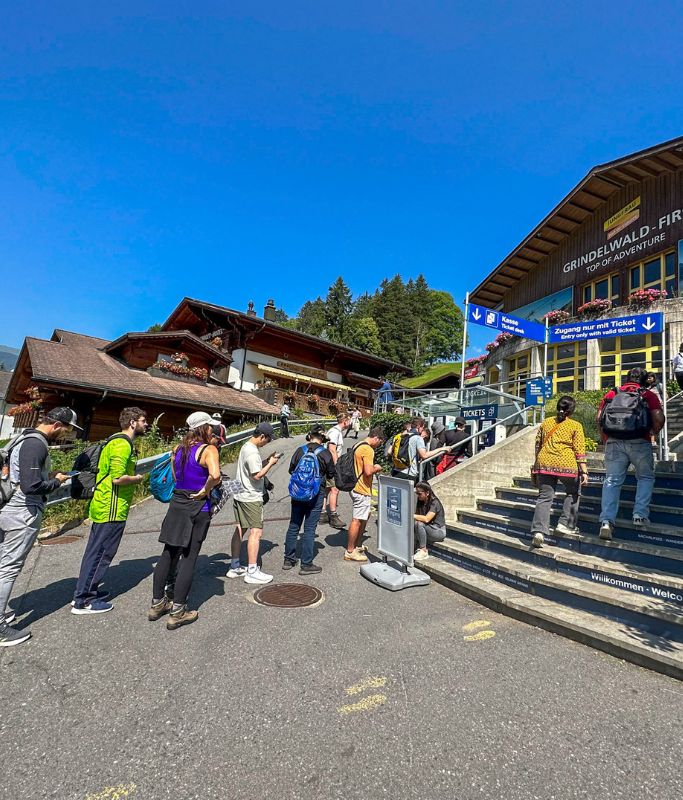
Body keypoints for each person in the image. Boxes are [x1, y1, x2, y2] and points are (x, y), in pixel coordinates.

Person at [0, 408, 78, 646]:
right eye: (67, 429)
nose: (66, 434)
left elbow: (22, 474)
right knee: (9, 566)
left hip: (7, 505)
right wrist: (57, 481)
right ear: (56, 425)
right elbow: (31, 485)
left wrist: (48, 474)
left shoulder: (24, 437)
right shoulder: (37, 444)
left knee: (3, 562)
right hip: (22, 512)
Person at [148, 412, 221, 629]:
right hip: (197, 505)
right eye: (211, 427)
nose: (213, 430)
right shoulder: (208, 449)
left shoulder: (178, 449)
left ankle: (157, 604)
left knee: (168, 553)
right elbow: (215, 476)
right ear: (204, 428)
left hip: (177, 503)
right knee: (189, 558)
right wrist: (204, 491)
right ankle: (178, 611)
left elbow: (174, 474)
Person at [72, 407, 147, 614]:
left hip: (104, 505)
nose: (145, 424)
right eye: (142, 420)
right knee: (101, 554)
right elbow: (118, 478)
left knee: (95, 551)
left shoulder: (114, 440)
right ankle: (84, 600)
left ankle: (86, 591)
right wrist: (138, 478)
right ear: (132, 423)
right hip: (111, 508)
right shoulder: (122, 445)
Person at [598, 367, 665, 540]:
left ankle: (606, 521)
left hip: (614, 442)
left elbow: (599, 418)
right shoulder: (648, 395)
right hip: (639, 441)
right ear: (643, 380)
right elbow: (658, 418)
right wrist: (651, 432)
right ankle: (639, 515)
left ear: (626, 379)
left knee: (612, 481)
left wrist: (605, 439)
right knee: (645, 477)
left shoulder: (612, 394)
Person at [529, 396, 588, 548]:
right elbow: (579, 450)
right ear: (572, 410)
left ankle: (539, 532)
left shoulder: (547, 422)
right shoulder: (575, 425)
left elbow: (538, 444)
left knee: (545, 497)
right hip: (566, 463)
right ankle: (565, 524)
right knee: (573, 491)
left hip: (545, 462)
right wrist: (585, 472)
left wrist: (538, 461)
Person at [229, 421, 280, 584]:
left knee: (240, 528)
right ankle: (252, 570)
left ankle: (235, 566)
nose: (268, 442)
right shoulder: (252, 452)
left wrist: (265, 461)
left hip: (239, 494)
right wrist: (271, 464)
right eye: (268, 439)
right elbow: (256, 475)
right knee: (256, 532)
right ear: (262, 436)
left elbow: (252, 468)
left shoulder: (246, 447)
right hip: (251, 496)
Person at [283, 425, 335, 574]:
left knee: (294, 525)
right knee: (310, 528)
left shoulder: (300, 450)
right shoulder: (325, 453)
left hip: (298, 492)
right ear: (322, 438)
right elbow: (331, 474)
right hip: (316, 494)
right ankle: (306, 564)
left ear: (310, 436)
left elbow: (291, 470)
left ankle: (288, 559)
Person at [344, 426, 385, 562]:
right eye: (380, 442)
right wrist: (377, 468)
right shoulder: (368, 450)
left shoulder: (358, 444)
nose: (379, 446)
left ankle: (357, 545)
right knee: (357, 520)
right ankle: (350, 550)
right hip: (361, 488)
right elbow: (368, 471)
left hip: (353, 485)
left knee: (364, 515)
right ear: (376, 438)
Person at [398, 416, 452, 484]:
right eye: (422, 427)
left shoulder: (403, 435)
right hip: (410, 473)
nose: (423, 429)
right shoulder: (418, 438)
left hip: (399, 469)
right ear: (418, 426)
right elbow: (424, 455)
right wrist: (442, 449)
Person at [324, 413, 351, 529]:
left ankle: (323, 513)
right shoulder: (335, 432)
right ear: (344, 421)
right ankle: (333, 516)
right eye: (349, 421)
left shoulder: (334, 431)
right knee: (335, 489)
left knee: (326, 489)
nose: (350, 423)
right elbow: (332, 450)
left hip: (326, 464)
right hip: (331, 465)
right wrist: (337, 466)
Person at [413, 482, 447, 561]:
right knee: (416, 524)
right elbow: (419, 516)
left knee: (419, 524)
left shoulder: (434, 502)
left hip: (438, 531)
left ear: (427, 493)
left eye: (419, 493)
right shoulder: (420, 501)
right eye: (416, 493)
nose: (417, 495)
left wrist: (411, 515)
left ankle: (423, 551)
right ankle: (417, 548)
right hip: (429, 529)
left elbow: (426, 519)